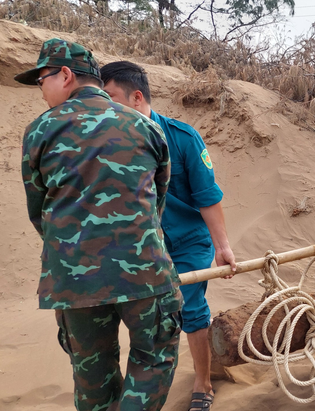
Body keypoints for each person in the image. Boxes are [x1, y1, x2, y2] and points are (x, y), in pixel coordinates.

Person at [16, 38, 181, 410]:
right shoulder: (144, 127)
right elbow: (157, 199)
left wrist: (74, 246)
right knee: (153, 358)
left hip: (75, 280)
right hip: (144, 272)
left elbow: (39, 209)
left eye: (41, 80)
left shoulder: (39, 131)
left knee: (93, 378)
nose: (40, 90)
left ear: (65, 74)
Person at [100, 60, 236, 411]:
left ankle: (203, 382)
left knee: (189, 307)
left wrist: (222, 247)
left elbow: (207, 197)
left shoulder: (181, 137)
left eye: (109, 96)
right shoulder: (109, 146)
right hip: (145, 248)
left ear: (136, 97)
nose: (104, 105)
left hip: (189, 241)